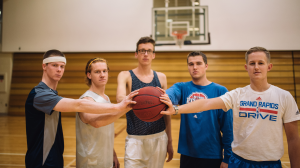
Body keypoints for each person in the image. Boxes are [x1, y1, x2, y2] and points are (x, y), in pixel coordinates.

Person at [160, 47, 300, 168]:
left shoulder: (284, 96)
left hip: (253, 160)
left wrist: (226, 157)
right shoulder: (235, 94)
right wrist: (170, 105)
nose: (256, 67)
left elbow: (293, 139)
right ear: (246, 67)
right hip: (225, 159)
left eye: (260, 63)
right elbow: (201, 102)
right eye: (252, 63)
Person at [25, 50, 138, 168]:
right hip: (42, 159)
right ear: (44, 66)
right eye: (54, 65)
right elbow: (79, 106)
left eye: (62, 66)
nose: (59, 69)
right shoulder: (39, 94)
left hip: (55, 156)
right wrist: (119, 107)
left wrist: (112, 152)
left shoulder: (51, 94)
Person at [166, 51, 233, 168]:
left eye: (198, 63)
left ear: (206, 66)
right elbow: (169, 95)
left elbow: (228, 128)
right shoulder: (181, 87)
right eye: (191, 64)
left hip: (212, 154)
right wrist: (162, 98)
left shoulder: (220, 91)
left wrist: (227, 157)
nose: (194, 67)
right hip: (187, 153)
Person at [116, 36, 173, 168]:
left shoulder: (161, 77)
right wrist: (128, 100)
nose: (145, 54)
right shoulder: (126, 75)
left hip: (159, 137)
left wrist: (169, 141)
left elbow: (167, 112)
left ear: (154, 55)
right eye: (142, 51)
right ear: (136, 54)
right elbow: (120, 98)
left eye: (149, 51)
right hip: (135, 139)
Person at [76, 58, 122, 168]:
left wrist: (112, 153)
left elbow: (104, 133)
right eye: (97, 72)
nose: (102, 75)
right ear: (89, 75)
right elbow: (96, 122)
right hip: (90, 161)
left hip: (105, 158)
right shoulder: (86, 99)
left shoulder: (106, 98)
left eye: (104, 71)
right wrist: (124, 108)